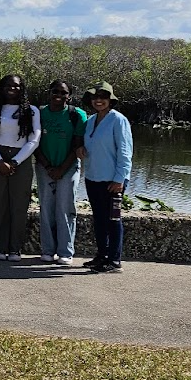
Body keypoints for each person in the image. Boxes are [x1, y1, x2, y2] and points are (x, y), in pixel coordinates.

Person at [0, 74, 41, 262]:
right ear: (1, 88)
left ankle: (15, 249)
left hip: (21, 159)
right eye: (8, 85)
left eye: (16, 86)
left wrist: (15, 161)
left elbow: (34, 139)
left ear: (22, 88)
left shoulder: (31, 111)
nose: (12, 89)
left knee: (19, 206)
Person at [81, 82, 133, 274]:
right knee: (99, 220)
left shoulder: (118, 120)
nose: (98, 101)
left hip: (113, 180)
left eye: (103, 97)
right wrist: (81, 149)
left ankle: (114, 260)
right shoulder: (91, 120)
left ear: (110, 100)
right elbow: (91, 146)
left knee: (113, 220)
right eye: (95, 97)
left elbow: (125, 152)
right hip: (93, 178)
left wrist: (120, 179)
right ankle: (101, 256)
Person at [34, 80, 87, 265]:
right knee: (46, 208)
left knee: (65, 208)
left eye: (63, 92)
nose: (59, 95)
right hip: (44, 167)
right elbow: (34, 143)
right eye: (55, 91)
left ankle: (65, 251)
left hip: (69, 167)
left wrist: (62, 169)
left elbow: (77, 145)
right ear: (49, 93)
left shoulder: (77, 115)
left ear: (69, 96)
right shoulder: (39, 113)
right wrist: (48, 167)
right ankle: (48, 250)